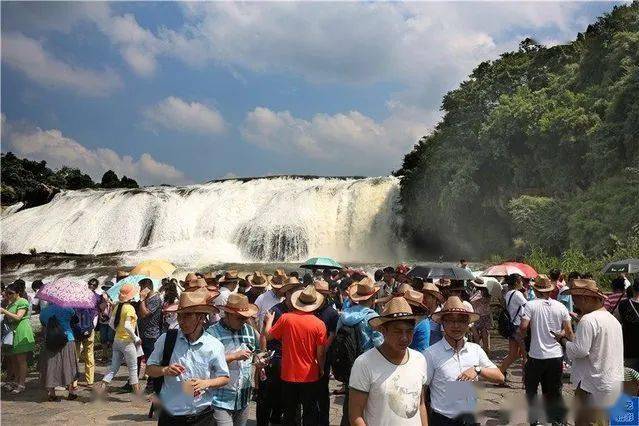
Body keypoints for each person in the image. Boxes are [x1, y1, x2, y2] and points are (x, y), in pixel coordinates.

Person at [146, 287, 230, 425]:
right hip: (171, 417)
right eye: (180, 315)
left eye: (187, 315)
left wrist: (206, 383)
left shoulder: (214, 345)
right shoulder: (166, 339)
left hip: (202, 417)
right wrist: (164, 370)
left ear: (201, 317)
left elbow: (224, 377)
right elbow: (149, 369)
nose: (181, 320)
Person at [552, 279, 624, 426]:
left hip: (592, 384)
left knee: (587, 421)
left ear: (585, 298)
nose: (575, 304)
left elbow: (580, 351)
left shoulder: (588, 320)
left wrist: (563, 340)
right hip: (611, 382)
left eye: (575, 300)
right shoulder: (613, 320)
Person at [423, 296, 505, 425]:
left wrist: (477, 370)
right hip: (443, 420)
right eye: (450, 321)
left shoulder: (475, 350)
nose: (456, 326)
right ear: (443, 323)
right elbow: (422, 393)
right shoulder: (431, 353)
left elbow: (500, 377)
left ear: (468, 324)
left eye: (461, 321)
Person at [349, 297, 428, 425]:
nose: (404, 337)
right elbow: (355, 415)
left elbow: (421, 404)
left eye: (409, 331)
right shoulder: (364, 363)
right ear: (383, 331)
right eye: (397, 331)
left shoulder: (419, 359)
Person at [265, 285, 328, 426]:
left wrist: (269, 320)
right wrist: (322, 368)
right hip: (310, 374)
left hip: (288, 373)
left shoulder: (286, 318)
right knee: (309, 412)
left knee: (289, 412)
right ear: (314, 304)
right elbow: (321, 353)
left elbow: (268, 336)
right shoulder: (319, 324)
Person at [519, 276, 573, 426]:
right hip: (556, 355)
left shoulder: (530, 305)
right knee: (554, 390)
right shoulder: (560, 306)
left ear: (536, 290)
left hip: (536, 355)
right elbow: (568, 331)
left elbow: (523, 327)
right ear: (550, 290)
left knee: (531, 390)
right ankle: (556, 420)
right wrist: (560, 335)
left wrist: (522, 337)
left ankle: (534, 420)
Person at [256, 276, 302, 426]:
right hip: (276, 361)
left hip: (292, 363)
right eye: (293, 291)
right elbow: (264, 335)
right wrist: (262, 359)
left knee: (289, 401)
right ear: (287, 294)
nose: (296, 294)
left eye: (297, 291)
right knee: (267, 399)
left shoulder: (300, 310)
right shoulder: (276, 311)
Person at [208, 293, 260, 426]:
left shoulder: (249, 331)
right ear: (228, 314)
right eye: (239, 318)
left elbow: (257, 352)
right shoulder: (212, 333)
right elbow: (206, 363)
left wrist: (259, 360)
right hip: (219, 399)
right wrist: (234, 356)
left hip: (243, 398)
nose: (243, 321)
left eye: (245, 318)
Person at [94, 284, 142, 395]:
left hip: (117, 341)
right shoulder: (129, 308)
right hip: (127, 342)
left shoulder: (117, 307)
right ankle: (138, 396)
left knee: (113, 367)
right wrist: (135, 338)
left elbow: (111, 323)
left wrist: (119, 331)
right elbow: (127, 325)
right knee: (133, 369)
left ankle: (101, 388)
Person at [39, 301, 79, 401]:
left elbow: (44, 324)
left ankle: (52, 393)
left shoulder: (44, 312)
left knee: (51, 365)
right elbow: (75, 320)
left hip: (50, 340)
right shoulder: (68, 308)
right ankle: (71, 392)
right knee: (69, 365)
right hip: (67, 339)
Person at [1, 283, 35, 394]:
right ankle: (16, 381)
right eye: (7, 293)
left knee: (21, 360)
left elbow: (18, 317)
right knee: (14, 359)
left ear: (18, 293)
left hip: (21, 331)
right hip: (12, 332)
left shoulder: (23, 302)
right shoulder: (11, 303)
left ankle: (22, 384)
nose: (8, 295)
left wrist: (4, 311)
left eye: (11, 293)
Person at [313, 280, 339, 426]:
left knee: (322, 391)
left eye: (323, 294)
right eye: (318, 293)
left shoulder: (331, 313)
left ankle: (323, 421)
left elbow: (332, 335)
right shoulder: (310, 309)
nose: (320, 296)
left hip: (324, 356)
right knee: (310, 391)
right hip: (310, 356)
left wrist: (322, 352)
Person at [498, 273, 527, 380]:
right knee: (525, 355)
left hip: (512, 327)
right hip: (519, 327)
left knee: (513, 354)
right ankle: (526, 381)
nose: (522, 283)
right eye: (521, 281)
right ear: (516, 282)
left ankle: (499, 373)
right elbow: (527, 306)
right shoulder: (518, 294)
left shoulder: (508, 293)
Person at [72, 279, 99, 387]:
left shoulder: (74, 300)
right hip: (89, 330)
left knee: (75, 356)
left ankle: (74, 381)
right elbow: (95, 315)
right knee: (89, 354)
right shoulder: (93, 299)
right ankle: (90, 381)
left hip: (77, 331)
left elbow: (72, 316)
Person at [138, 278, 163, 392]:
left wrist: (142, 300)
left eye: (141, 288)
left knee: (151, 361)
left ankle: (152, 386)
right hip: (144, 333)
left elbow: (144, 314)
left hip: (152, 334)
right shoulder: (149, 298)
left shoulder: (155, 299)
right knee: (145, 359)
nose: (140, 290)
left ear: (147, 288)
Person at [617, 278, 639, 373]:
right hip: (630, 349)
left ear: (633, 289)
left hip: (629, 348)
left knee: (629, 380)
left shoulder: (623, 305)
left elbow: (617, 322)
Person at [255, 269, 287, 333]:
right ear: (274, 287)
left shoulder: (287, 299)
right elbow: (253, 318)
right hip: (265, 338)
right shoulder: (262, 298)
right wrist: (257, 336)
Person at [470, 280, 492, 353]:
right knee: (485, 332)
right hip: (486, 315)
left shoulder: (479, 292)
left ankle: (478, 348)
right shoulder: (487, 293)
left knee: (475, 332)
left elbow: (471, 300)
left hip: (478, 315)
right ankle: (487, 349)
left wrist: (472, 294)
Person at [420, 282, 445, 346]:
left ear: (434, 299)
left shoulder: (442, 316)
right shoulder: (423, 315)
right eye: (422, 297)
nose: (423, 300)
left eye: (425, 297)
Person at [97, 281, 115, 362]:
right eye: (106, 288)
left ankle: (112, 355)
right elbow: (100, 308)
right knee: (103, 338)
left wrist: (110, 301)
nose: (108, 290)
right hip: (103, 321)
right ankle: (104, 355)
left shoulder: (116, 297)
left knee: (111, 338)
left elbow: (116, 307)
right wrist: (105, 301)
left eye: (109, 288)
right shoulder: (101, 297)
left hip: (112, 321)